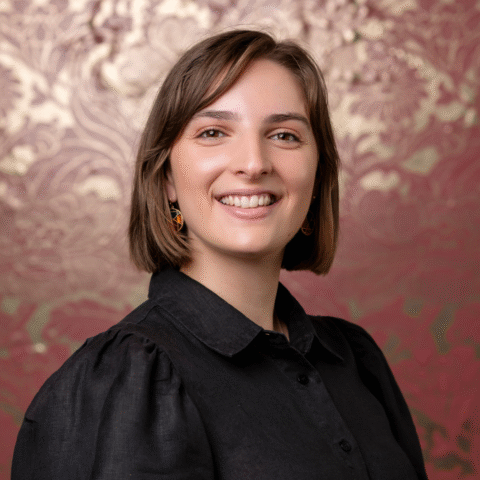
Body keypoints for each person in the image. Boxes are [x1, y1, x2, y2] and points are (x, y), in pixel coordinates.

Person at [12, 30, 428, 479]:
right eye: (213, 132)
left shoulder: (356, 360)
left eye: (284, 135)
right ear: (166, 178)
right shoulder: (128, 378)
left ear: (317, 174)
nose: (254, 163)